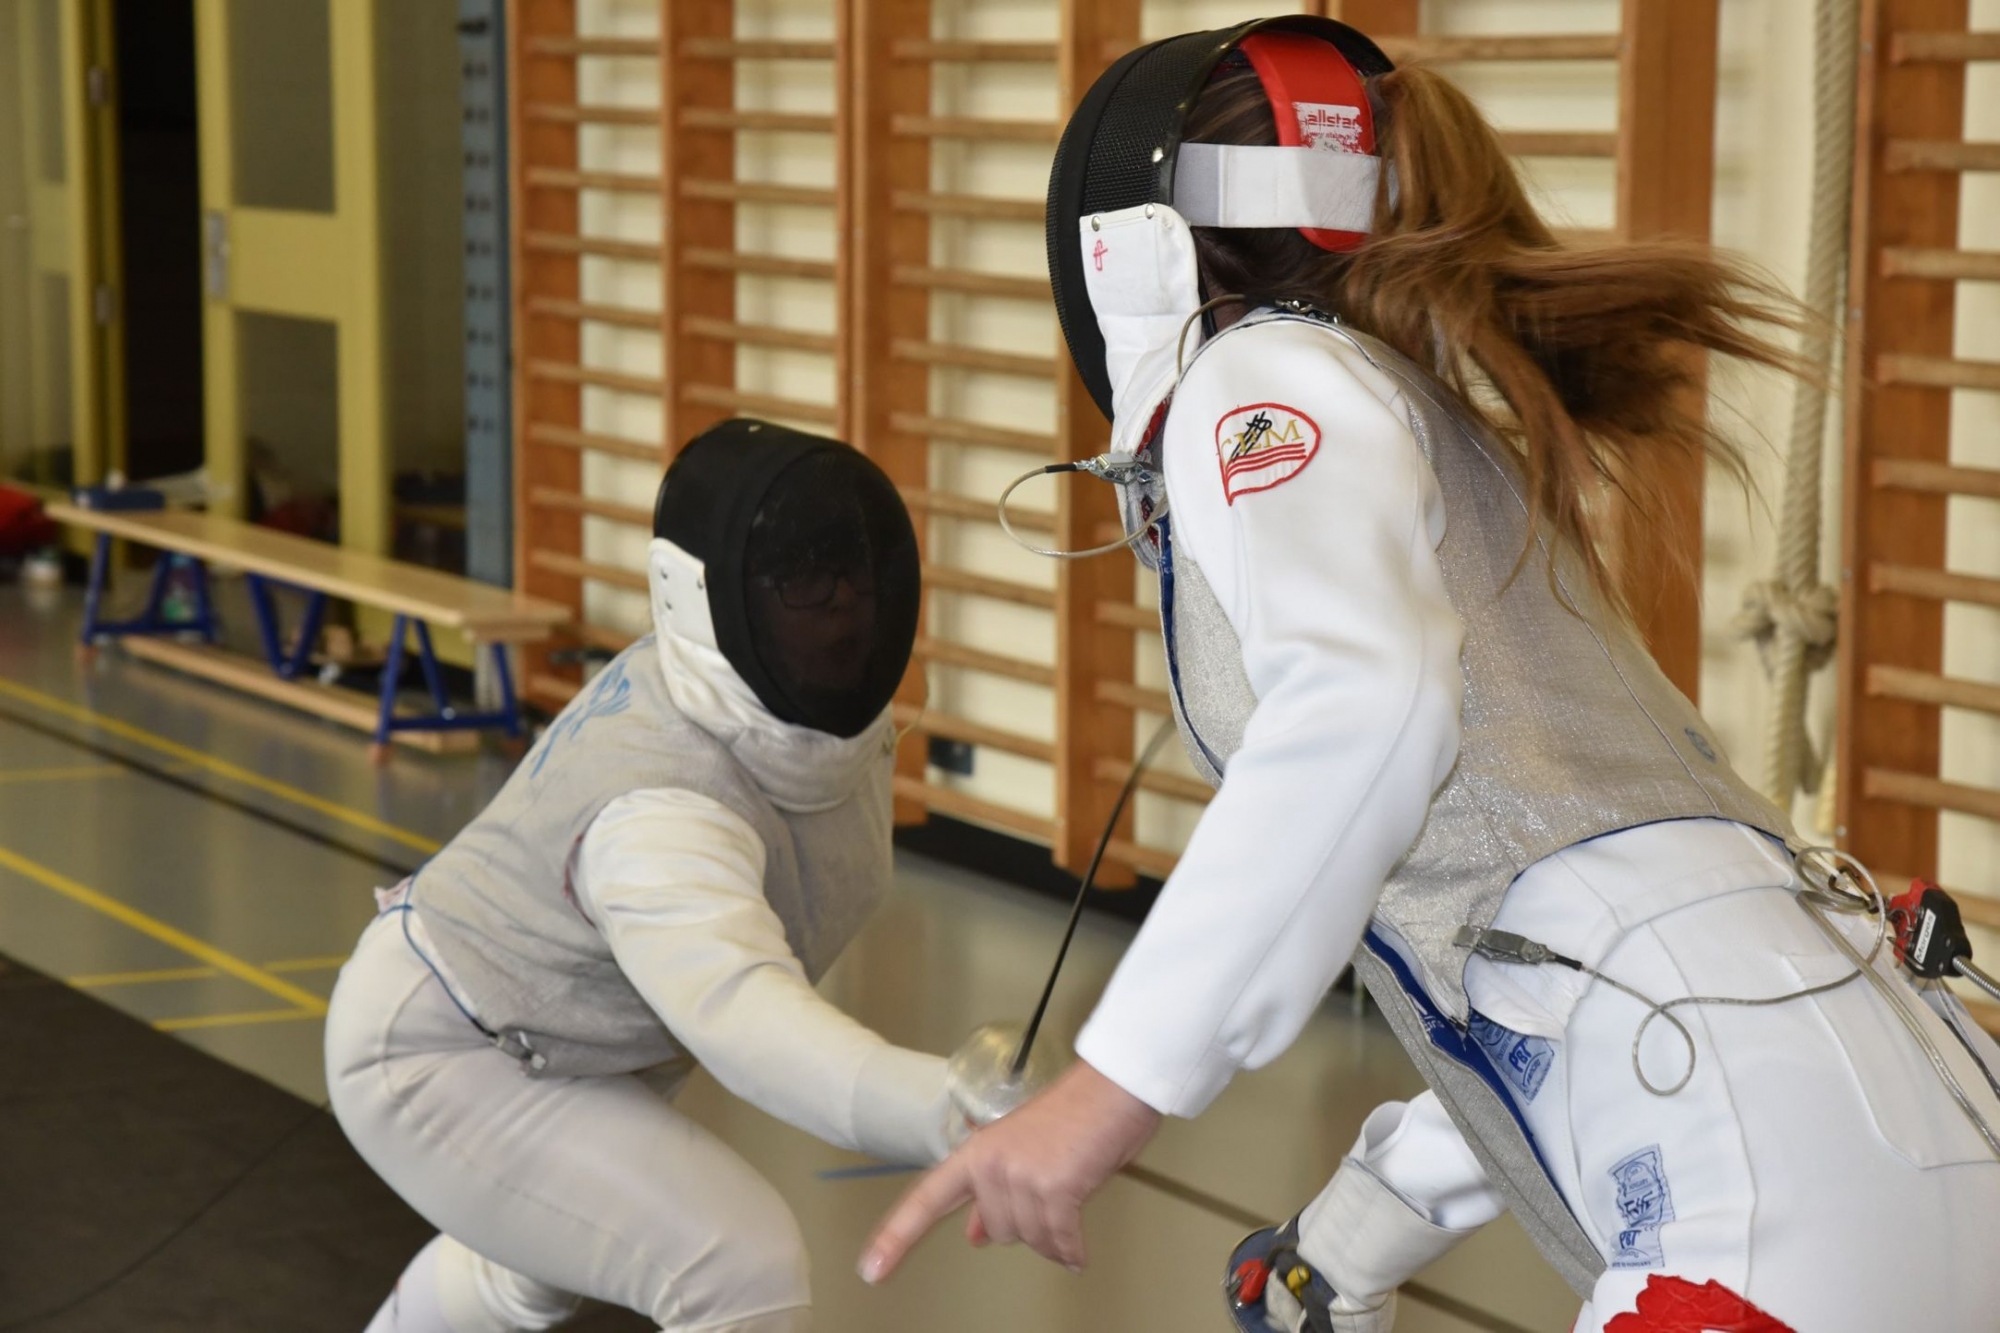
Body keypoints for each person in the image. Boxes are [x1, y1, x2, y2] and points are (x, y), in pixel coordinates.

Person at [860, 18, 2000, 1333]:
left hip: (1756, 1215)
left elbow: (1366, 710)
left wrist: (1103, 1094)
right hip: (1920, 1112)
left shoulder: (1259, 381)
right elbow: (1585, 1008)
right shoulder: (1445, 424)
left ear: (1128, 244)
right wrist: (1337, 1252)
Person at [327, 418, 964, 1333]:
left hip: (576, 1035)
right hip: (446, 1048)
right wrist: (952, 1112)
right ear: (707, 598)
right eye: (802, 583)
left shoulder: (810, 720)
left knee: (524, 1275)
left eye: (857, 574)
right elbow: (753, 1025)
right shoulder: (660, 816)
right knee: (737, 1265)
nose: (844, 608)